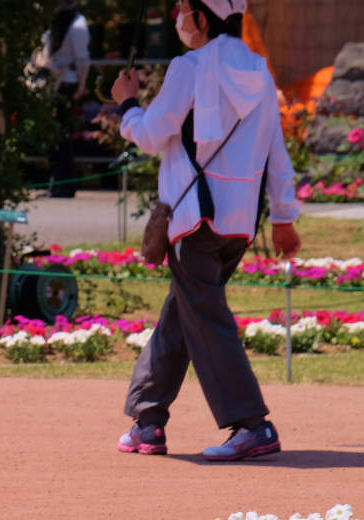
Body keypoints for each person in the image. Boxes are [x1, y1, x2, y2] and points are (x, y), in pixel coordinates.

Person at [112, 0, 300, 461]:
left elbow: (153, 134)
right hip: (238, 225)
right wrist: (283, 216)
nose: (176, 14)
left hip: (192, 218)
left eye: (181, 7)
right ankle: (148, 421)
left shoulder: (188, 66)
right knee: (185, 311)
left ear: (200, 17)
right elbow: (277, 151)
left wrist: (128, 106)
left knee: (204, 318)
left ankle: (253, 425)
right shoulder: (259, 68)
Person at [39, 0, 92, 198]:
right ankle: (56, 181)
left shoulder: (77, 24)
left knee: (63, 135)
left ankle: (65, 183)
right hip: (53, 82)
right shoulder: (56, 23)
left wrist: (82, 84)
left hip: (67, 83)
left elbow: (82, 59)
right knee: (52, 135)